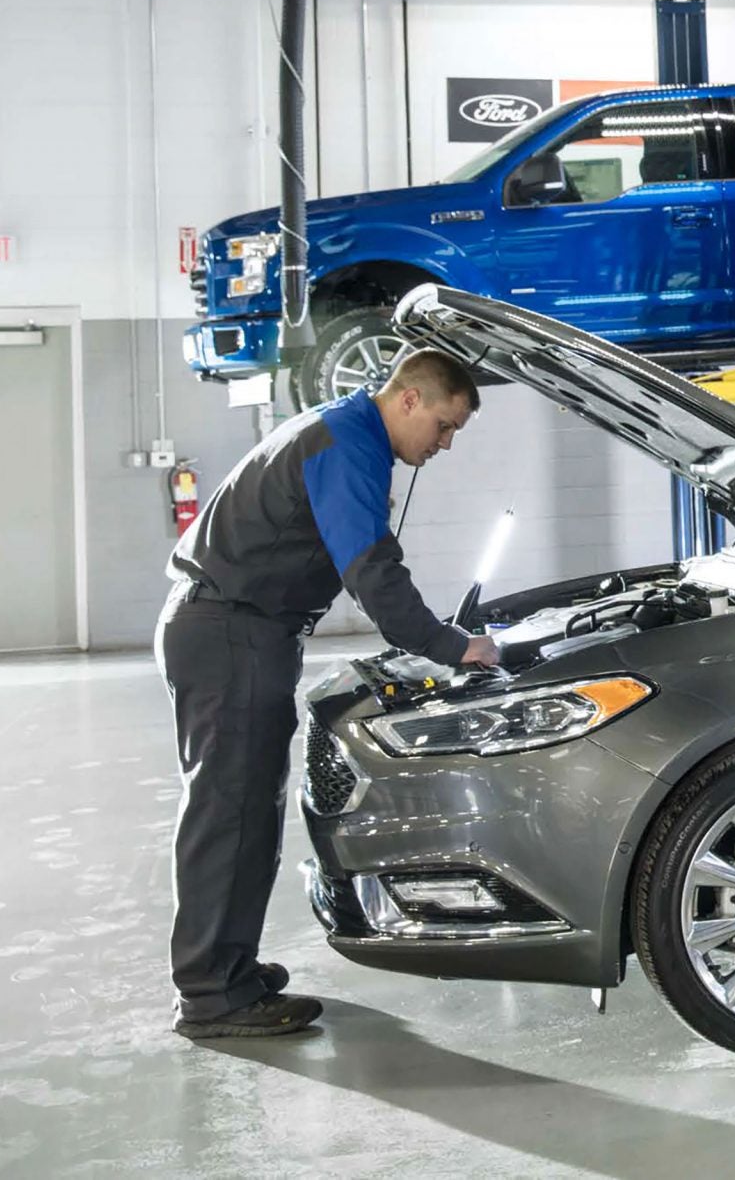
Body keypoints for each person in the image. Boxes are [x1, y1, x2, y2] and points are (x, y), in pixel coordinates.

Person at [157, 348, 499, 1040]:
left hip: (245, 629)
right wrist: (450, 645)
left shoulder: (341, 429)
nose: (444, 443)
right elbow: (372, 569)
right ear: (408, 398)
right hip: (231, 629)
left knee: (250, 810)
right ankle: (209, 994)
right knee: (229, 811)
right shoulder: (349, 441)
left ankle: (230, 970)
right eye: (443, 424)